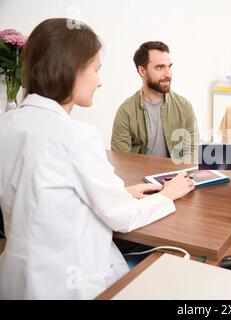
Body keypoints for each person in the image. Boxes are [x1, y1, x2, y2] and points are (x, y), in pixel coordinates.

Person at [0, 19, 194, 299]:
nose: (100, 80)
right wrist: (168, 196)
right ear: (72, 71)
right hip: (72, 283)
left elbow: (44, 198)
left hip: (16, 278)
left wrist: (120, 192)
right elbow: (123, 218)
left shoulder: (7, 124)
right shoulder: (77, 135)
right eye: (96, 69)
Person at [111, 41, 199, 164]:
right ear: (142, 71)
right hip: (140, 179)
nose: (168, 73)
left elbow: (192, 151)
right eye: (160, 67)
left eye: (169, 66)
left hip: (177, 177)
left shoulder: (184, 106)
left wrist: (184, 178)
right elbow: (121, 159)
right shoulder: (126, 111)